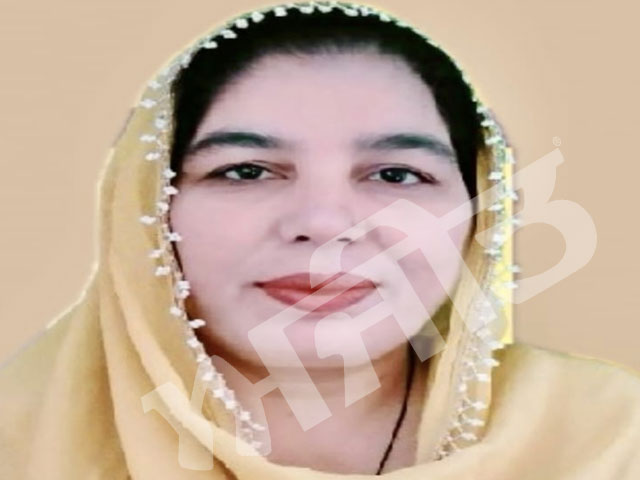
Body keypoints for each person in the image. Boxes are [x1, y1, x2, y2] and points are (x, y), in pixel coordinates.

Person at [1, 2, 639, 479]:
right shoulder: (21, 442)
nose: (326, 223)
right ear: (145, 208)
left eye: (396, 175)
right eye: (245, 171)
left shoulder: (607, 439)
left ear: (479, 217)